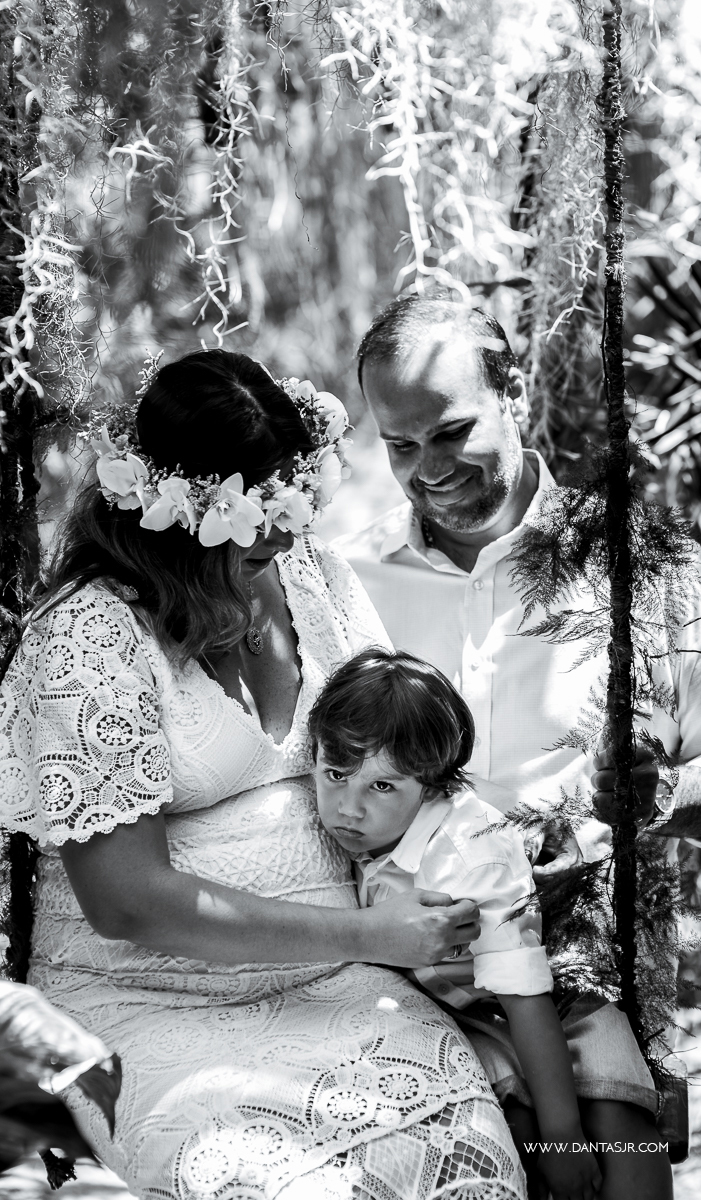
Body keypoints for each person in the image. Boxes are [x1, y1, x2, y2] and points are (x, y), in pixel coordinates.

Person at [0, 349, 530, 1200]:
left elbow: (392, 746)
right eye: (258, 534)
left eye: (291, 508)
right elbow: (127, 901)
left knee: (461, 1162)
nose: (285, 540)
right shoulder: (88, 639)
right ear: (170, 524)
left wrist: (451, 876)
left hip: (345, 985)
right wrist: (370, 936)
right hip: (150, 1001)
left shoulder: (308, 572)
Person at [335, 294, 701, 1198]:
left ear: (513, 388)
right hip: (392, 984)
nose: (425, 471)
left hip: (593, 970)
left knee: (617, 1178)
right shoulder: (345, 583)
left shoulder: (648, 564)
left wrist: (660, 797)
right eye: (398, 445)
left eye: (450, 432)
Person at [309, 645, 604, 1200]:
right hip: (445, 1006)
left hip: (540, 1001)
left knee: (604, 1127)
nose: (347, 808)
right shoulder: (361, 821)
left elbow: (524, 997)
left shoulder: (468, 858)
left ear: (434, 785)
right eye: (335, 774)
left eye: (381, 786)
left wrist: (563, 1139)